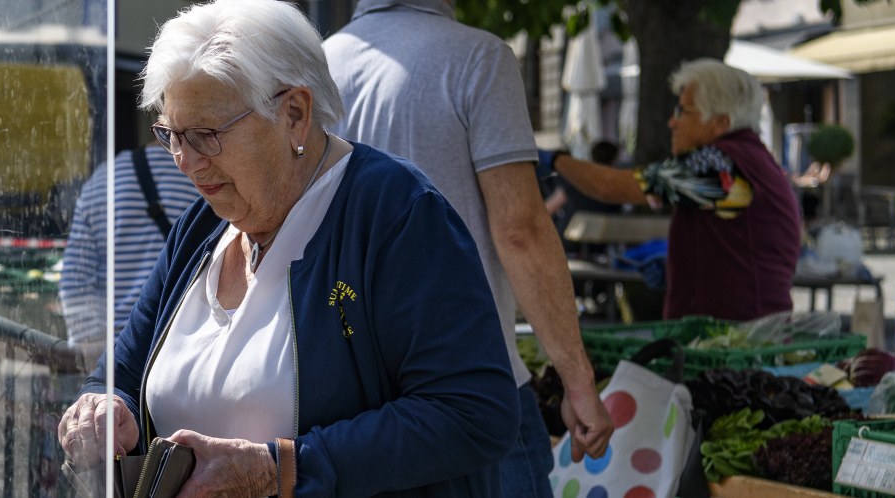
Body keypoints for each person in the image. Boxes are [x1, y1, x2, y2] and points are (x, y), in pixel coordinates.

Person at [57, 1, 521, 496]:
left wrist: (278, 469)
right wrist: (101, 407)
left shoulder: (396, 213)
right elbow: (122, 371)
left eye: (206, 135)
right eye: (171, 134)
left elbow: (474, 412)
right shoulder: (202, 226)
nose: (184, 161)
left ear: (294, 114)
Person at [324, 1, 613, 495]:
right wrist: (578, 382)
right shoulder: (479, 58)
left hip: (344, 390)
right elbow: (519, 229)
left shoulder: (312, 66)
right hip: (470, 383)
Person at [551, 59, 801, 321]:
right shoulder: (749, 158)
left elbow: (610, 187)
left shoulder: (718, 165)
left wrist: (553, 160)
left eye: (683, 111)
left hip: (734, 337)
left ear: (720, 122)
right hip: (748, 329)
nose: (672, 122)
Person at [59, 136, 198, 369]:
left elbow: (75, 282)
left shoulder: (104, 180)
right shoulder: (205, 179)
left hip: (117, 356)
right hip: (181, 352)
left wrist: (99, 358)